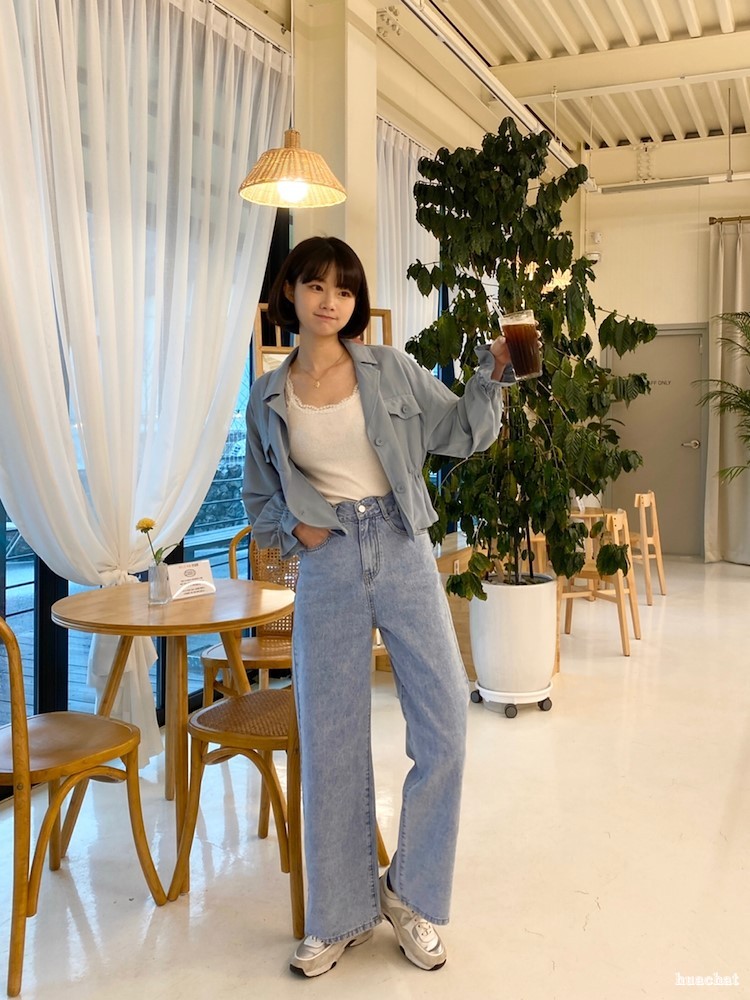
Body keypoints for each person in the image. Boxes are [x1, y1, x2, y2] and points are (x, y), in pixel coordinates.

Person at [242, 236, 514, 978]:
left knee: (445, 722)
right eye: (315, 286)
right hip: (328, 558)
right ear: (290, 292)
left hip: (401, 543)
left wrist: (492, 375)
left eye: (344, 289)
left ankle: (409, 893)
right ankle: (338, 914)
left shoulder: (388, 368)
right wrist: (296, 530)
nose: (330, 301)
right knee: (329, 739)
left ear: (355, 302)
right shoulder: (268, 394)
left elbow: (460, 430)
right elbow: (259, 494)